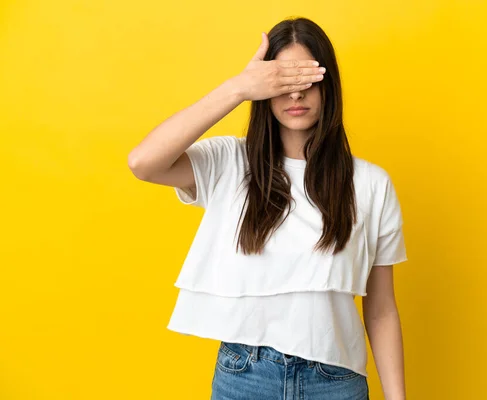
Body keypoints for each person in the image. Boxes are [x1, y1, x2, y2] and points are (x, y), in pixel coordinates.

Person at [128, 17, 408, 400]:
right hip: (245, 377)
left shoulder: (372, 184)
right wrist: (238, 88)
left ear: (329, 86)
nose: (295, 95)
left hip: (335, 382)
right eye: (282, 81)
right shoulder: (229, 161)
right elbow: (143, 162)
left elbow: (380, 310)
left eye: (307, 79)